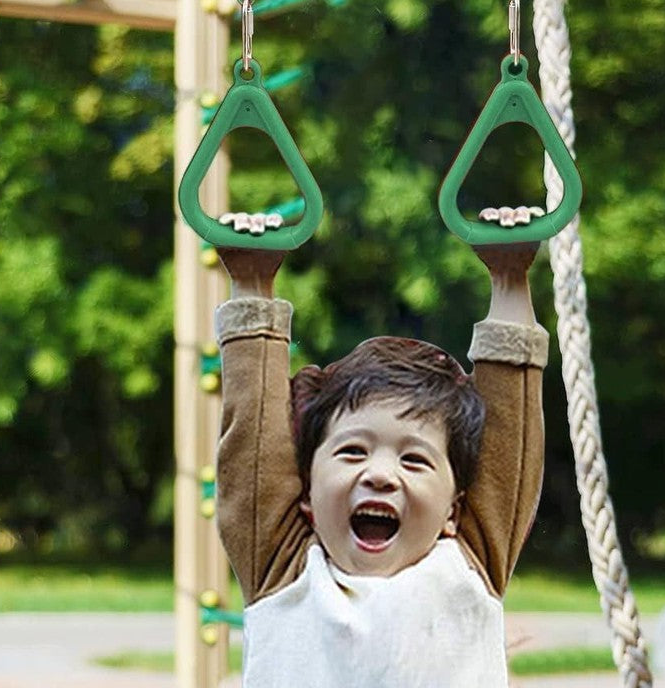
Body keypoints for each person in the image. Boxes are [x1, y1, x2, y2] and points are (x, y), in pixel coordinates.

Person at [214, 207, 548, 687]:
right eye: (352, 452)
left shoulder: (468, 563)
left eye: (414, 459)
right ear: (305, 493)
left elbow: (506, 437)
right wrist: (250, 284)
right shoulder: (283, 570)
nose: (381, 474)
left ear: (455, 509)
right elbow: (253, 434)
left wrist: (510, 281)